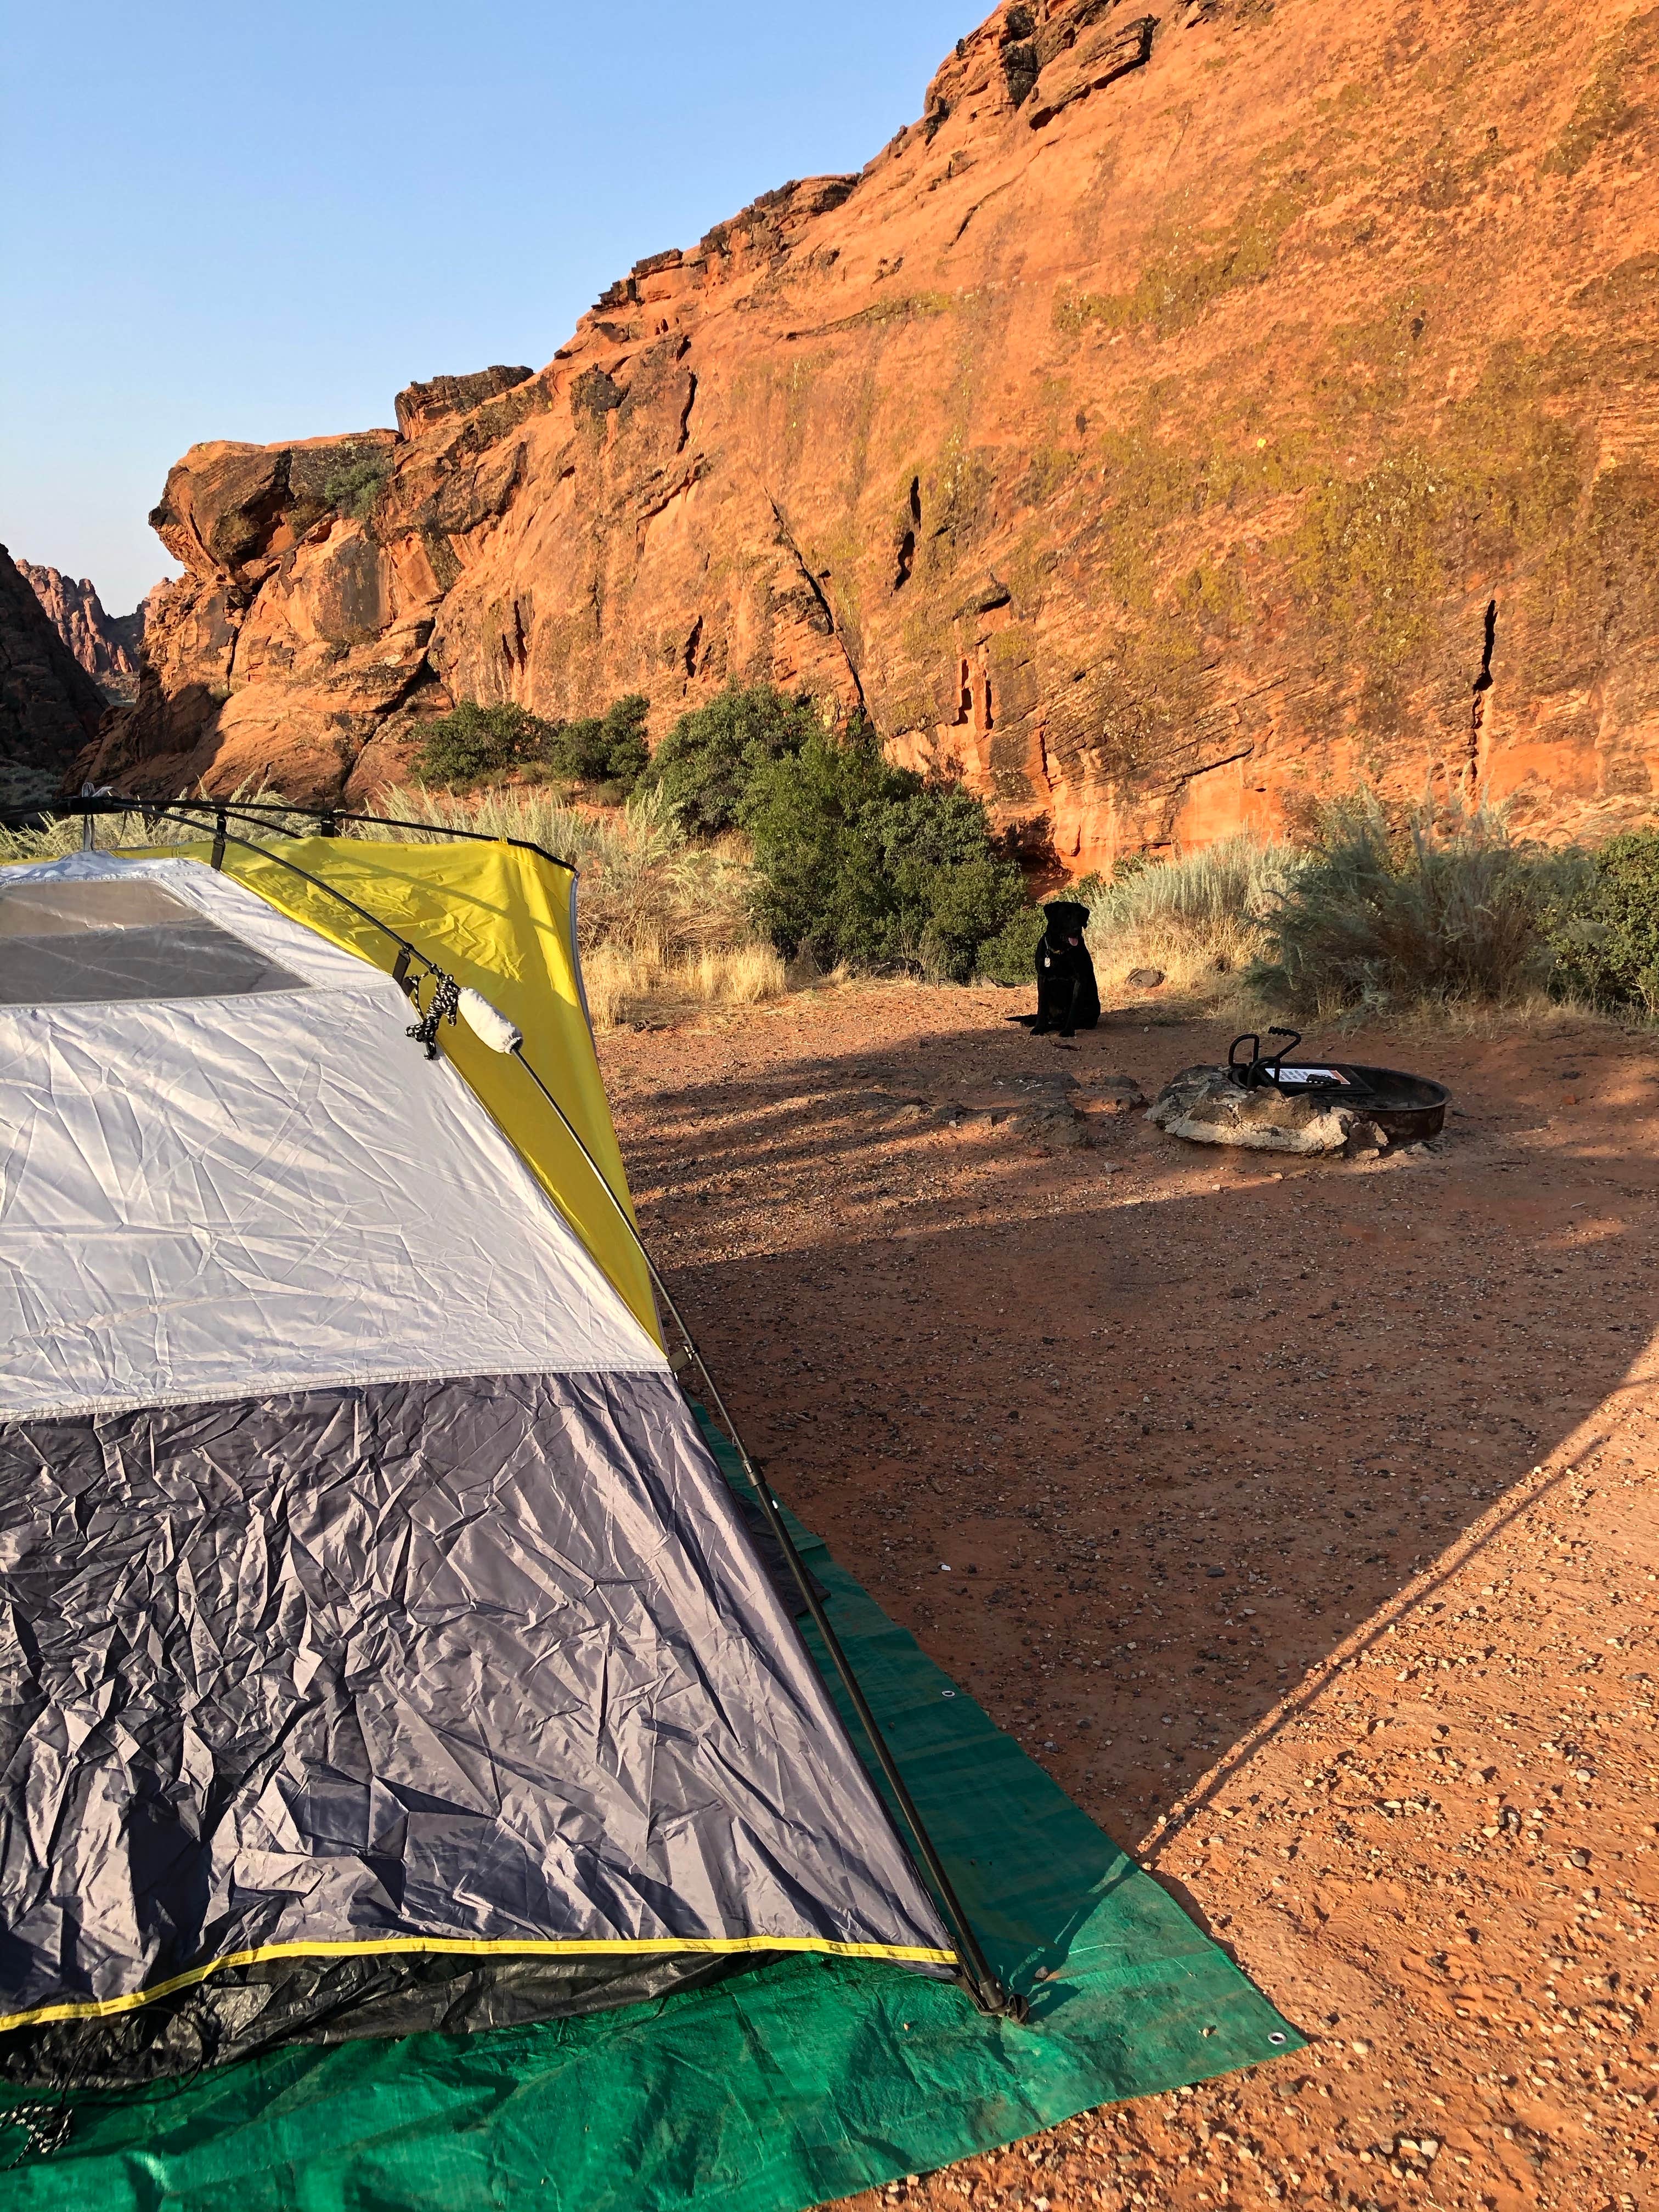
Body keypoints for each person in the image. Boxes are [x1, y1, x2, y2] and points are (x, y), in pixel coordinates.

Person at [1031, 900, 1100, 1037]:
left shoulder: (1078, 951)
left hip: (1085, 1015)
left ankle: (1067, 1024)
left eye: (1078, 919)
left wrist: (1070, 1028)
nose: (1076, 926)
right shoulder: (1044, 949)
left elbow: (1081, 986)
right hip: (1057, 1011)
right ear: (1052, 920)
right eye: (1068, 918)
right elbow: (1042, 981)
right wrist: (1040, 1022)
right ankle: (1043, 1021)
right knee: (1045, 980)